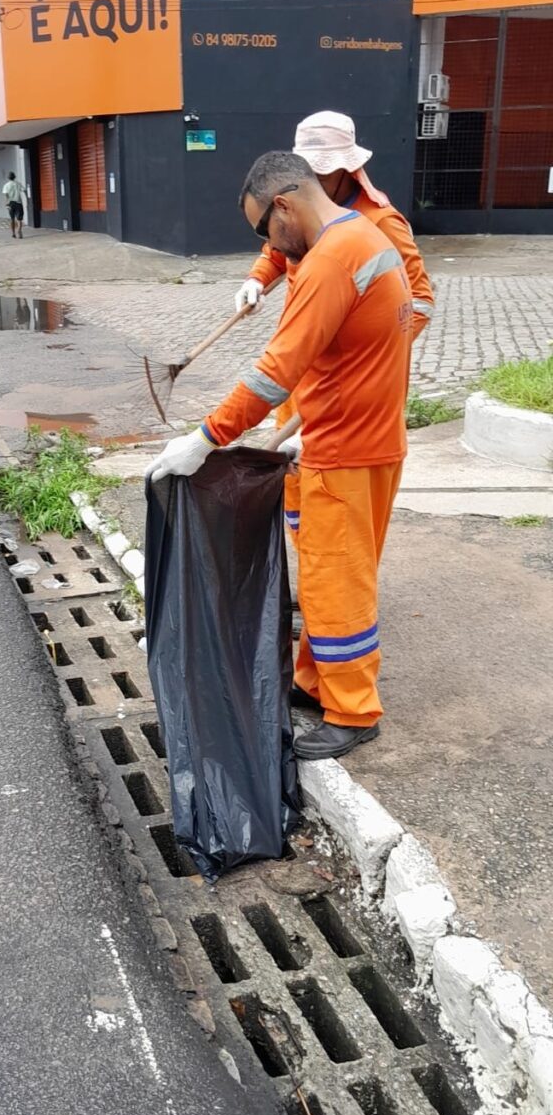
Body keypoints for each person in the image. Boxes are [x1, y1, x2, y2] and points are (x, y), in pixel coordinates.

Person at [146, 151, 414, 762]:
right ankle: (314, 682)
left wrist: (206, 438)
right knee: (334, 573)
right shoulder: (360, 235)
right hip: (363, 435)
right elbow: (351, 358)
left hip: (345, 449)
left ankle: (352, 710)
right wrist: (300, 423)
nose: (267, 245)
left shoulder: (329, 261)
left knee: (334, 582)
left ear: (285, 206)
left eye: (263, 230)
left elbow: (275, 372)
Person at [234, 112, 433, 553]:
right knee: (295, 491)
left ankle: (330, 589)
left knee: (335, 513)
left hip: (346, 391)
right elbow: (277, 246)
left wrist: (361, 363)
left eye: (323, 172)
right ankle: (315, 582)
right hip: (301, 373)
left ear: (347, 168)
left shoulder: (380, 224)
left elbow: (418, 302)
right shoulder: (300, 207)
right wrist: (256, 279)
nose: (315, 181)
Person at [2, 172, 24, 239]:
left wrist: (6, 203)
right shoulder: (18, 184)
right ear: (14, 177)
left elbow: (6, 195)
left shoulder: (6, 185)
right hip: (18, 203)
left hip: (11, 203)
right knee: (19, 219)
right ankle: (19, 231)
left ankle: (13, 233)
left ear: (8, 178)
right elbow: (24, 190)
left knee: (12, 219)